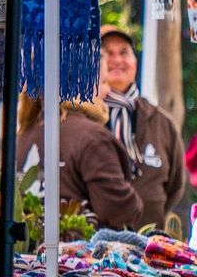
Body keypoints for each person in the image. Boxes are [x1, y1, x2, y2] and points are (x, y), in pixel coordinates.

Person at [98, 25, 186, 233]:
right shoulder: (83, 119)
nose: (117, 60)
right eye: (107, 53)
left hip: (150, 249)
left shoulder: (160, 122)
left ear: (135, 63)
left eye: (124, 52)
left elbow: (175, 185)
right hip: (93, 252)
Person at [15, 93, 144, 231]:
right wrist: (135, 205)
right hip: (79, 248)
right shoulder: (93, 137)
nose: (108, 90)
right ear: (82, 84)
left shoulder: (24, 134)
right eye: (103, 82)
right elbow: (119, 210)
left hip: (28, 248)